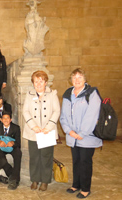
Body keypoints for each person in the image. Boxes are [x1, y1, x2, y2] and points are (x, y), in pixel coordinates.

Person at [60, 68, 102, 199]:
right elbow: (63, 116)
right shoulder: (68, 94)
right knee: (76, 161)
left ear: (85, 79)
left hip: (87, 136)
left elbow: (92, 115)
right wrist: (69, 131)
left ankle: (85, 188)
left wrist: (82, 133)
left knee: (85, 162)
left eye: (79, 77)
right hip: (73, 136)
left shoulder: (92, 93)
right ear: (70, 80)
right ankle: (76, 184)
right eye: (74, 77)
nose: (77, 80)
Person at [22, 70, 60, 191]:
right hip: (34, 132)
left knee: (46, 157)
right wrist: (34, 126)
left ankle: (45, 181)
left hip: (47, 132)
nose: (38, 83)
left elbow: (56, 111)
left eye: (41, 81)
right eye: (36, 81)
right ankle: (35, 180)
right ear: (33, 83)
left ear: (46, 82)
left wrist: (48, 127)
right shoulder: (29, 95)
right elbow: (25, 111)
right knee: (34, 157)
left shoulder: (52, 94)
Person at [0, 111, 22, 190]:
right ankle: (12, 175)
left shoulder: (16, 128)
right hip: (2, 147)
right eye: (4, 118)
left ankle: (14, 180)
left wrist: (13, 143)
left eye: (7, 118)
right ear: (1, 119)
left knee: (18, 152)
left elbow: (18, 143)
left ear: (10, 120)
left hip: (11, 148)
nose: (6, 120)